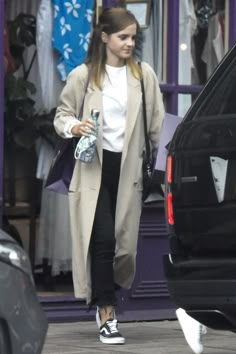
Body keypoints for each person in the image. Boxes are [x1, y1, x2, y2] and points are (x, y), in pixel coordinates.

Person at [54, 7, 164, 345]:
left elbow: (156, 125)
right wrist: (74, 125)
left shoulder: (143, 75)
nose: (130, 43)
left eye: (133, 37)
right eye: (123, 37)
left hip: (129, 169)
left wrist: (167, 165)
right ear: (105, 38)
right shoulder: (84, 75)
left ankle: (104, 291)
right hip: (94, 170)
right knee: (101, 241)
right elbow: (61, 114)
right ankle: (106, 312)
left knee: (125, 249)